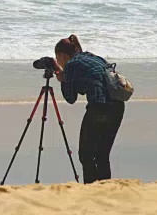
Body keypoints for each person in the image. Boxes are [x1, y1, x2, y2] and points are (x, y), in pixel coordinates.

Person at [52, 35, 125, 184]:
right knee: (102, 155)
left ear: (61, 55)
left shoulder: (72, 65)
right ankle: (105, 189)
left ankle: (90, 189)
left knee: (86, 155)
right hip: (118, 106)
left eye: (57, 58)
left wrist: (62, 79)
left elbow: (70, 98)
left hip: (99, 107)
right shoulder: (91, 57)